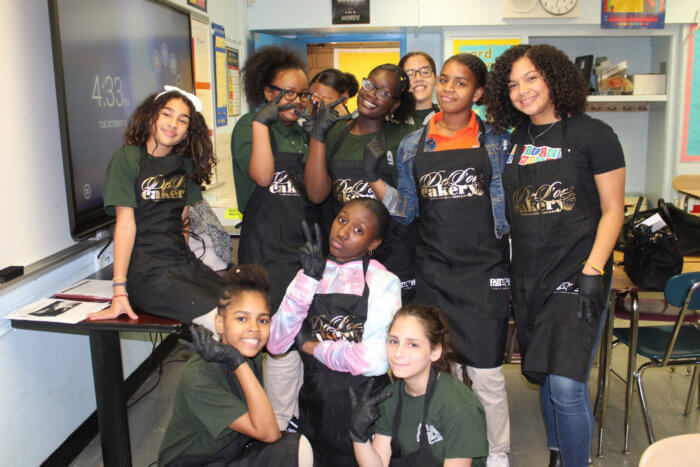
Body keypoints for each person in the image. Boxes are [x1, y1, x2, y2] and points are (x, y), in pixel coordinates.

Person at [485, 44, 625, 467]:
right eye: (512, 84)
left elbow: (613, 210)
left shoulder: (594, 134)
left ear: (554, 79)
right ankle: (559, 453)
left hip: (579, 271)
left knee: (566, 385)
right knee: (544, 375)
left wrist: (593, 270)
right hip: (529, 275)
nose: (522, 90)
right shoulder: (514, 141)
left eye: (531, 78)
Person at [372, 53, 512, 467]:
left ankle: (498, 452)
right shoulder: (415, 144)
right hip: (434, 270)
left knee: (486, 372)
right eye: (444, 80)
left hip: (485, 270)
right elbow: (408, 210)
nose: (448, 89)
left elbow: (509, 211)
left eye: (461, 83)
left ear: (479, 92)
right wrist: (377, 181)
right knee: (443, 370)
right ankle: (445, 445)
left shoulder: (497, 142)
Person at [267, 198, 402, 467]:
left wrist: (312, 348)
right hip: (315, 405)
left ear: (373, 244)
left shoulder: (383, 282)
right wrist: (308, 279)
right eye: (342, 220)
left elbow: (375, 360)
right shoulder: (307, 274)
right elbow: (276, 342)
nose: (342, 232)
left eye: (358, 230)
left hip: (363, 408)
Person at [88, 85, 226, 323]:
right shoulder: (128, 159)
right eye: (167, 114)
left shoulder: (184, 166)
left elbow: (183, 221)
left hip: (182, 265)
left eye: (182, 120)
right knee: (222, 319)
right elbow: (125, 226)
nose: (173, 123)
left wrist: (187, 266)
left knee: (241, 304)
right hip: (147, 273)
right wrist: (119, 290)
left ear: (187, 133)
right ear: (151, 116)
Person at [230, 45, 312, 431]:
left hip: (299, 247)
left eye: (303, 93)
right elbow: (263, 177)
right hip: (265, 247)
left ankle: (293, 414)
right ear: (267, 92)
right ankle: (278, 422)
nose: (297, 101)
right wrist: (263, 125)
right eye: (289, 92)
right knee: (278, 339)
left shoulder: (298, 132)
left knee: (300, 335)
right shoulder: (250, 125)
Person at [157, 265, 313, 467]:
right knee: (287, 450)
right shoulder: (199, 376)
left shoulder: (249, 351)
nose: (254, 329)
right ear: (219, 323)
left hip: (232, 448)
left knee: (295, 447)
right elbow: (269, 433)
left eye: (262, 320)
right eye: (241, 318)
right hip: (193, 462)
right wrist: (237, 363)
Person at [304, 63, 418, 302]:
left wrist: (373, 176)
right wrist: (318, 135)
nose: (371, 94)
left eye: (383, 93)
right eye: (369, 85)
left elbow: (408, 208)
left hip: (393, 254)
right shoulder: (335, 131)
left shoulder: (404, 139)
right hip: (346, 255)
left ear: (395, 104)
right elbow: (316, 194)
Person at [350, 304, 489, 467]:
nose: (398, 353)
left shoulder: (460, 407)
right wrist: (358, 435)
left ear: (435, 352)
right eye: (394, 341)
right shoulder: (390, 397)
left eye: (412, 344)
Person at [399, 52, 439, 125]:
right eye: (410, 74)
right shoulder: (390, 122)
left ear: (436, 79)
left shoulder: (449, 120)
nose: (418, 78)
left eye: (425, 72)